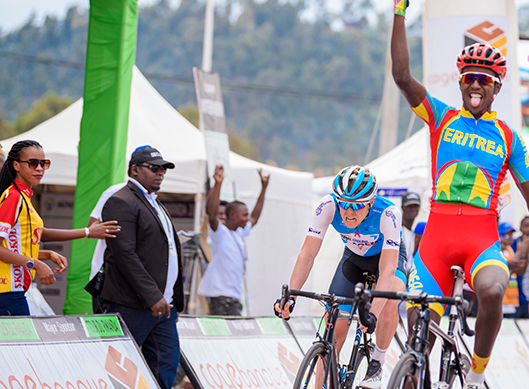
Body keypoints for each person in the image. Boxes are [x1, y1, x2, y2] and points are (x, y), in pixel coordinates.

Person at [390, 0, 529, 388]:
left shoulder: (509, 138)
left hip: (481, 242)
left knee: (492, 291)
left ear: (496, 87)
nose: (476, 86)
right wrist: (400, 12)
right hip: (435, 243)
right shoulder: (440, 117)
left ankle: (476, 373)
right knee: (417, 342)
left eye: (485, 80)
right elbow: (402, 77)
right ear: (461, 83)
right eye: (469, 78)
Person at [277, 166, 406, 389]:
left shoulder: (388, 214)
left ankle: (377, 361)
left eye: (357, 205)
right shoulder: (328, 206)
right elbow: (307, 254)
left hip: (385, 258)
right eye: (344, 204)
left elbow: (387, 270)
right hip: (354, 259)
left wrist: (372, 314)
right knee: (332, 327)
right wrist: (291, 296)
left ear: (371, 202)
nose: (348, 212)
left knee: (389, 300)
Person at [99, 146, 183, 389]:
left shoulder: (154, 203)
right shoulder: (120, 201)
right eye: (154, 168)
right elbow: (124, 254)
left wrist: (170, 298)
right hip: (132, 304)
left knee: (165, 368)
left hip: (163, 306)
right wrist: (152, 296)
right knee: (120, 373)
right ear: (134, 170)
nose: (161, 173)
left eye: (164, 169)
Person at [0, 140, 68, 315]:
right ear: (16, 165)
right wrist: (35, 264)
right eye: (32, 163)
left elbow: (14, 248)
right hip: (8, 292)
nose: (39, 168)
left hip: (14, 291)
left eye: (44, 163)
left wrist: (47, 254)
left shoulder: (23, 197)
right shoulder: (13, 197)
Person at [199, 164, 270, 316]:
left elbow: (255, 217)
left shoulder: (239, 233)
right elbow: (212, 214)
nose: (247, 218)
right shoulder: (220, 233)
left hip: (233, 296)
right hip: (220, 296)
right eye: (244, 215)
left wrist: (264, 188)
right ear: (232, 215)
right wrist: (218, 183)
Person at [498, 222, 525, 318]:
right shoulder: (497, 249)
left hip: (511, 300)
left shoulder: (510, 250)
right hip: (501, 299)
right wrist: (521, 250)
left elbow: (517, 269)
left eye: (511, 234)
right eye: (506, 234)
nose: (509, 237)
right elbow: (507, 265)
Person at [400, 192, 421, 272]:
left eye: (415, 206)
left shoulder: (416, 233)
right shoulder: (396, 230)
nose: (413, 209)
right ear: (402, 207)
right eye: (409, 206)